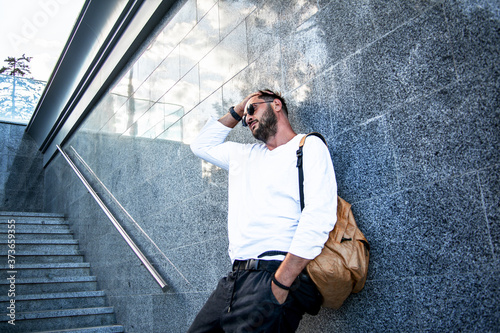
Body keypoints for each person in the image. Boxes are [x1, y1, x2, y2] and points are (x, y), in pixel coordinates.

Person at [188, 90, 337, 332]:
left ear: (276, 105)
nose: (247, 118)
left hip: (272, 274)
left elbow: (319, 215)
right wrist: (240, 108)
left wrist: (281, 282)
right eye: (245, 113)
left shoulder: (308, 145)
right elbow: (200, 146)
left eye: (252, 109)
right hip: (234, 280)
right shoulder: (243, 155)